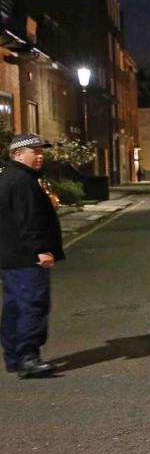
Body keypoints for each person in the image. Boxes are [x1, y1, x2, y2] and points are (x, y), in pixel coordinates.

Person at [0, 134, 64, 378]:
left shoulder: (7, 179)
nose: (40, 156)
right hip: (27, 258)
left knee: (14, 307)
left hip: (10, 257)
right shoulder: (22, 182)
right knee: (33, 304)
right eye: (33, 152)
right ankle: (29, 357)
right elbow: (29, 221)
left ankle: (14, 358)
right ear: (17, 155)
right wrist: (42, 249)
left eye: (41, 152)